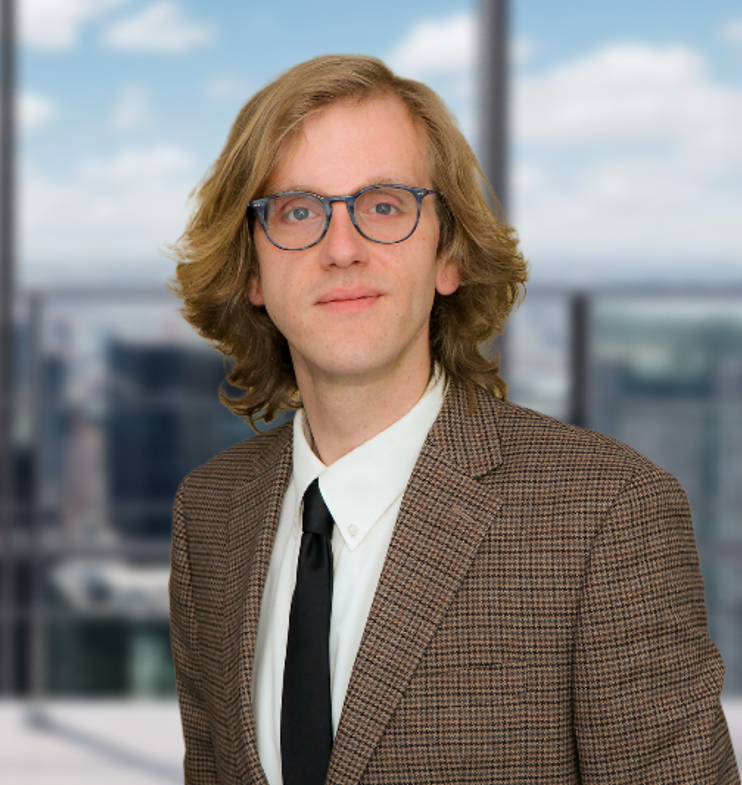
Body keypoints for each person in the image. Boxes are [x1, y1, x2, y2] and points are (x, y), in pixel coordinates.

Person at [168, 54, 739, 785]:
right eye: (298, 211)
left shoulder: (608, 514)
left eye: (383, 205)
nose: (341, 249)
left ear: (449, 256)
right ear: (251, 271)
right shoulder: (211, 513)